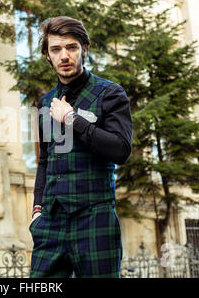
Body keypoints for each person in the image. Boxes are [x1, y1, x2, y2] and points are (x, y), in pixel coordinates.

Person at [29, 16, 133, 278]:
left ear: (84, 49)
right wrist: (37, 210)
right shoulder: (45, 101)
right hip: (51, 222)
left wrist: (71, 119)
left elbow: (121, 150)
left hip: (95, 218)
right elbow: (45, 161)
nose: (64, 56)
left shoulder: (110, 93)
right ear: (47, 55)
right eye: (56, 49)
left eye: (71, 47)